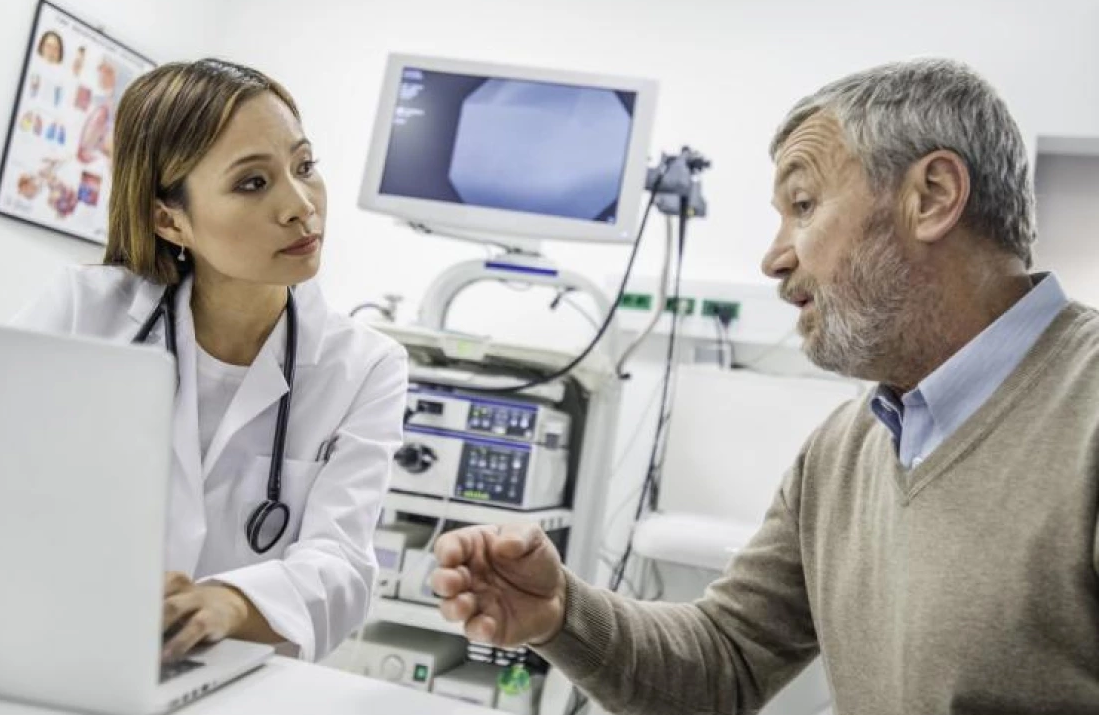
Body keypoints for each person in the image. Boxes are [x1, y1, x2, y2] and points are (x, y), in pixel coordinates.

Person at [431, 58, 1099, 714]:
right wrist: (561, 612)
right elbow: (725, 659)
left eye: (803, 206)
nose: (774, 257)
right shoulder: (843, 450)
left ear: (931, 197)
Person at [14, 59, 408, 664]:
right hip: (67, 648)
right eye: (253, 183)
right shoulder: (82, 313)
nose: (302, 205)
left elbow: (342, 564)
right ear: (167, 218)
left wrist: (228, 602)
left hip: (241, 674)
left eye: (304, 167)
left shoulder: (365, 366)